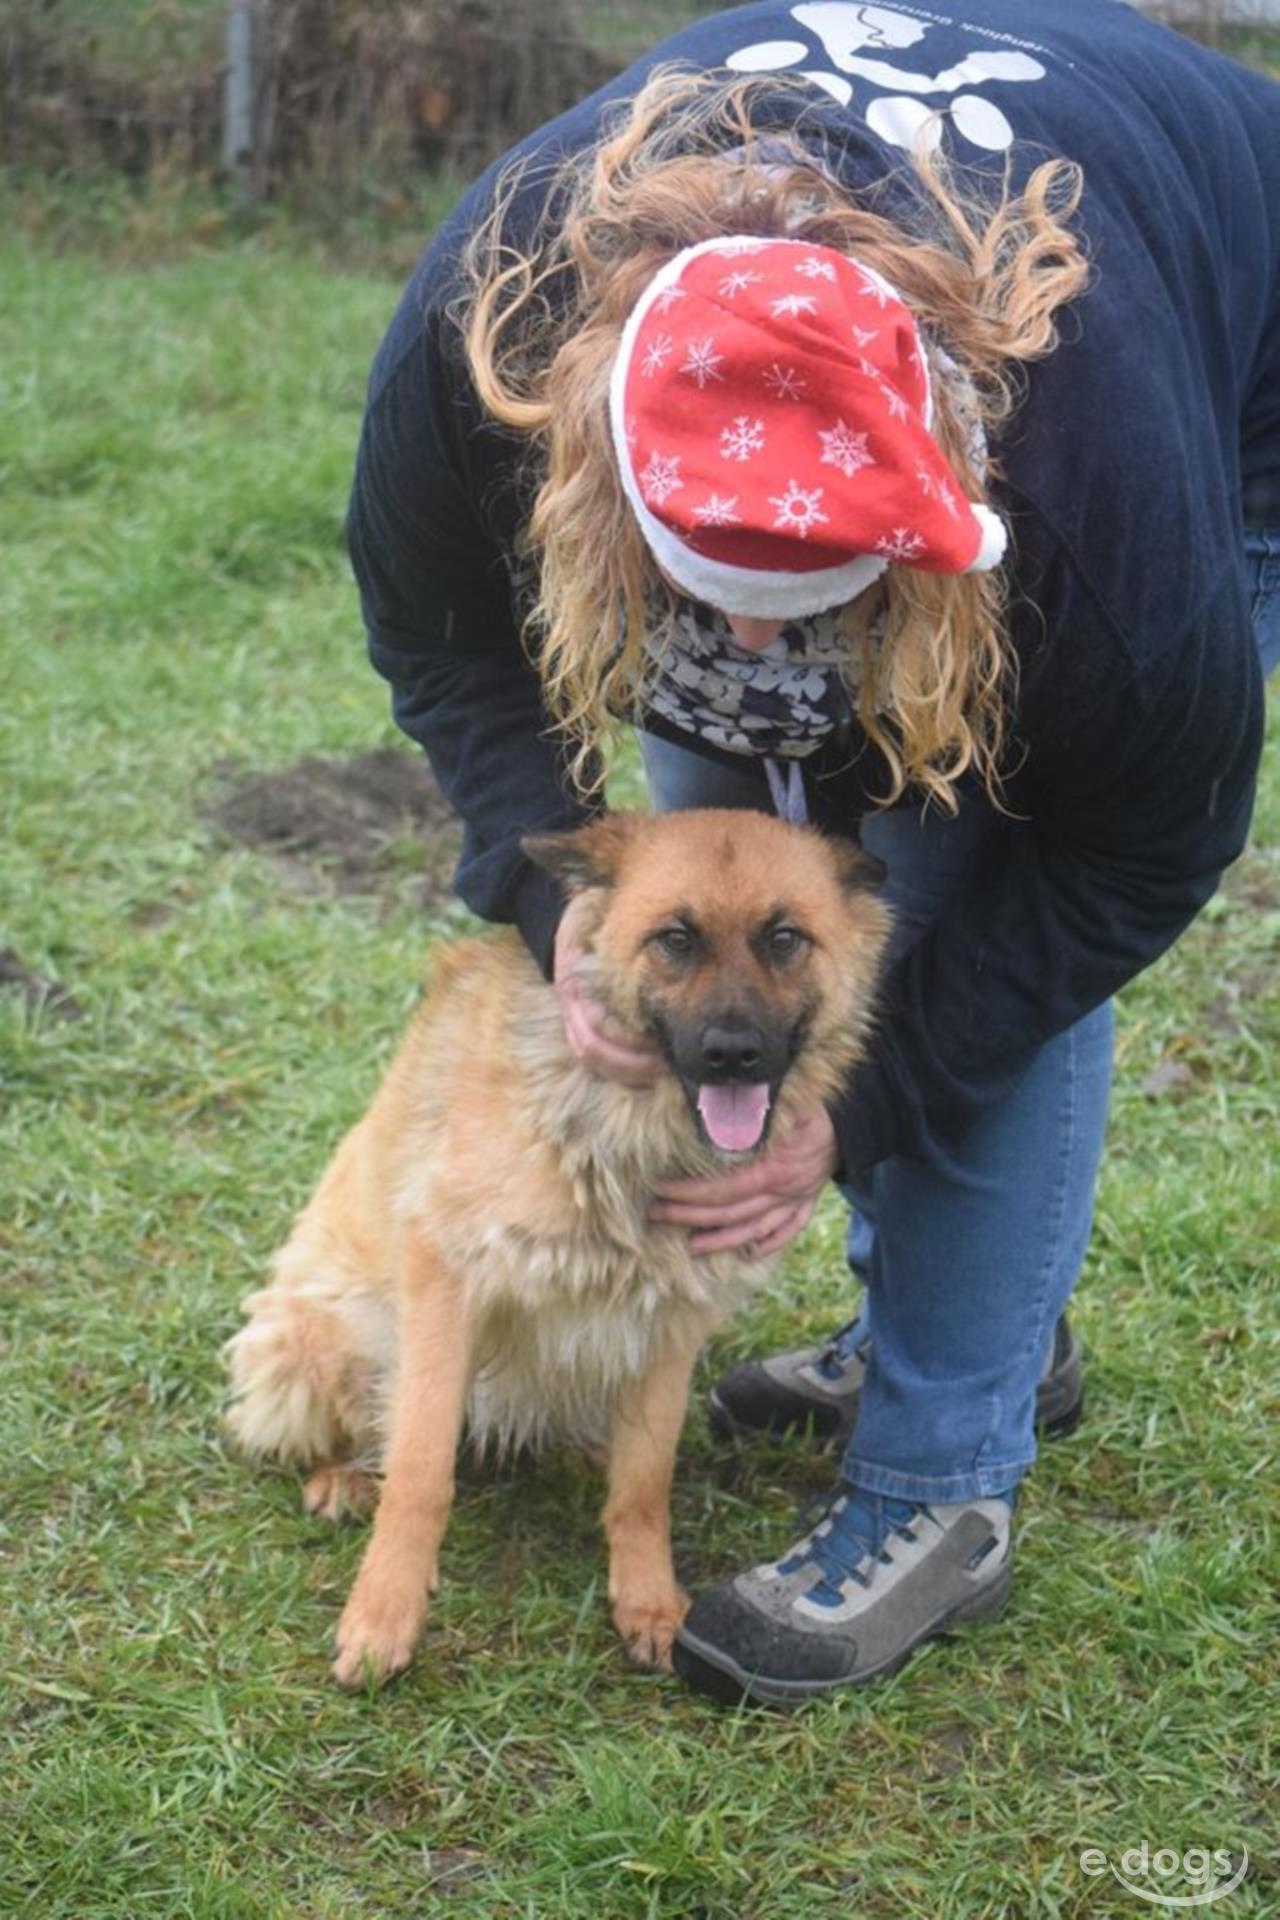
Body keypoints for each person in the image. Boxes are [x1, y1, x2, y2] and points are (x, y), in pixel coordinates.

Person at [346, 0, 1277, 1706]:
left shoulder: (1101, 511)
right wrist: (549, 884)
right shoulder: (503, 307)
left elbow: (1126, 860)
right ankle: (959, 1324)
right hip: (780, 401)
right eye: (713, 609)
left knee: (958, 905)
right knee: (734, 863)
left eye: (816, 618)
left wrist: (863, 1102)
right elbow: (440, 632)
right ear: (594, 457)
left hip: (1226, 350)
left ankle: (941, 1480)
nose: (773, 677)